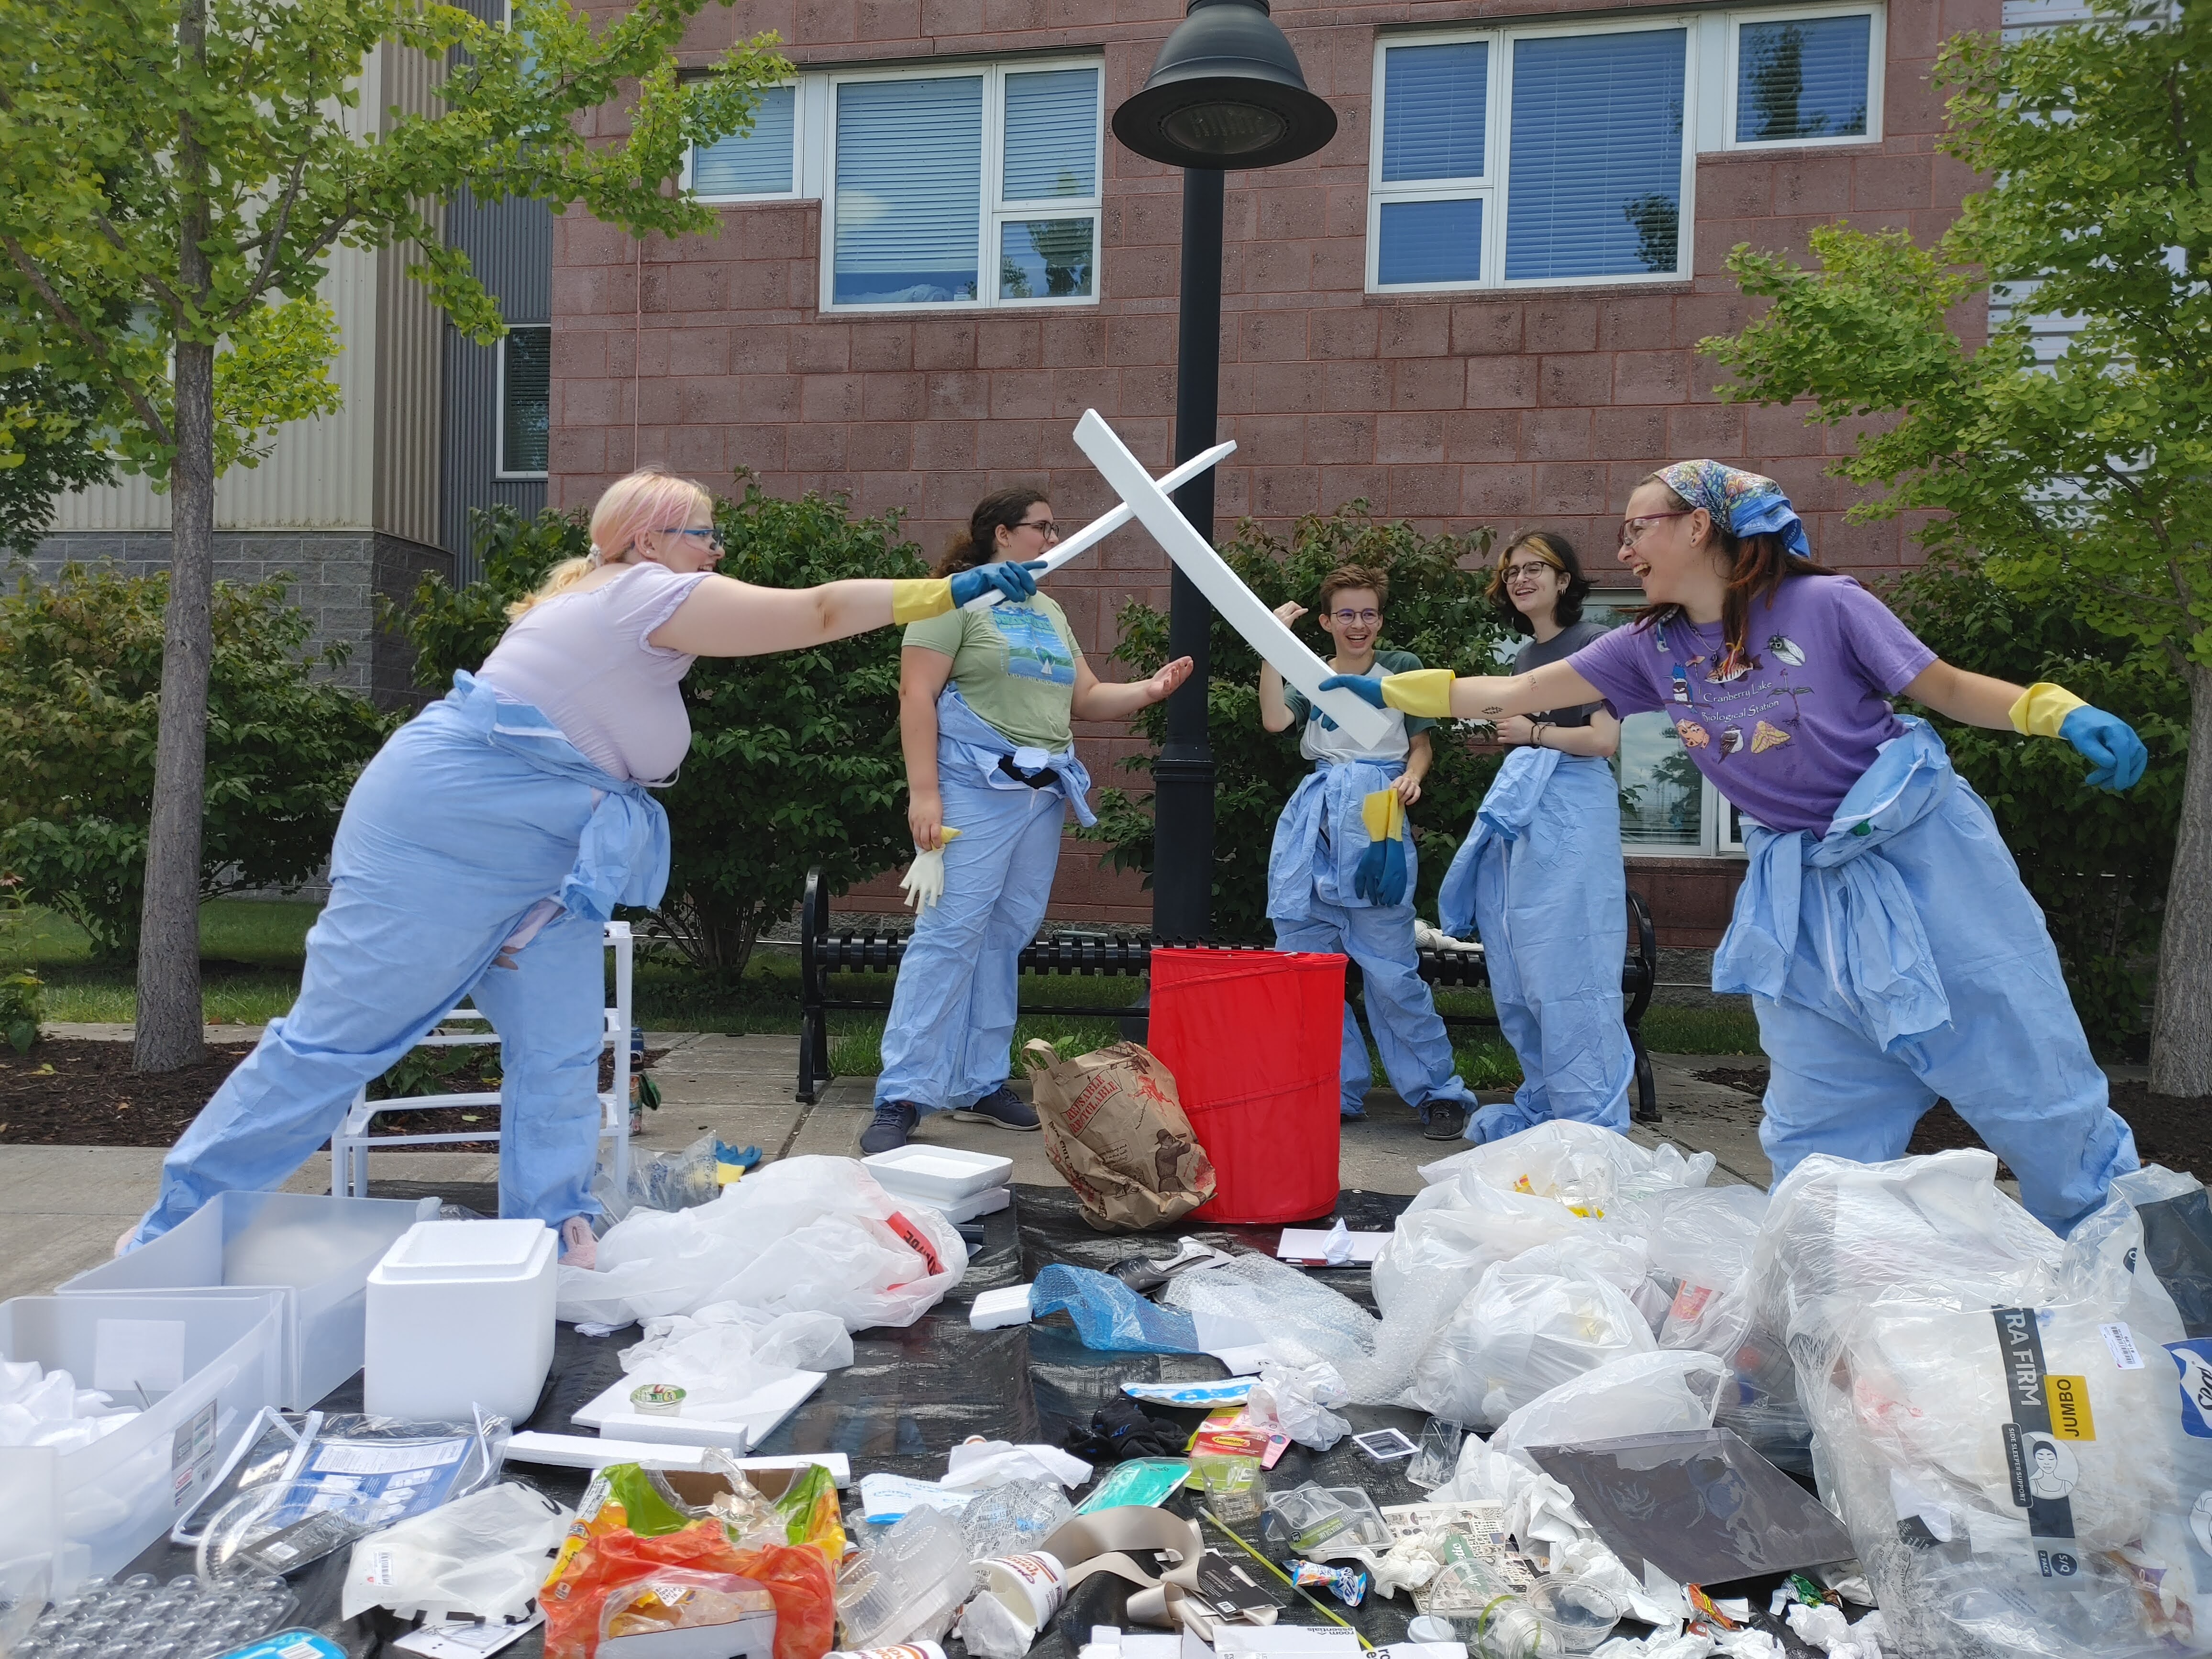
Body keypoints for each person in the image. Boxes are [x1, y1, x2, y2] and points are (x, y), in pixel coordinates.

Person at [126, 468, 1045, 1264]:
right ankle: (173, 1231)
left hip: (550, 859)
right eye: (705, 534)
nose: (717, 551)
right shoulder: (636, 593)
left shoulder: (631, 608)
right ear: (647, 539)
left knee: (563, 1054)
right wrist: (950, 590)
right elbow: (815, 611)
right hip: (450, 835)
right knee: (337, 1044)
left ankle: (552, 1240)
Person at [1323, 460, 2147, 1234]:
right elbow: (1518, 691)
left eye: (1636, 526)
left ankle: (2123, 1262)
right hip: (1800, 892)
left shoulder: (1827, 606)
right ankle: (1826, 1293)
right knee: (1818, 1127)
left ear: (1697, 528)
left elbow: (1945, 688)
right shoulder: (1651, 646)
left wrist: (2056, 710)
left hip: (1921, 859)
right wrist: (1391, 689)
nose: (1621, 548)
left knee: (2020, 1071)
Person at [862, 489, 1193, 1156]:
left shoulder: (1048, 610)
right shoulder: (953, 599)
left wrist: (1150, 691)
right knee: (949, 934)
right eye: (1042, 527)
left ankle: (980, 1082)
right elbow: (915, 694)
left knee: (1004, 935)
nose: (1052, 537)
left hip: (1040, 796)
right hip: (971, 792)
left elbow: (1088, 698)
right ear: (1003, 535)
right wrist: (923, 794)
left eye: (1053, 527)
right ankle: (902, 1091)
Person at [1259, 564, 1480, 1139]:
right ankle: (1333, 1090)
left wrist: (1412, 778)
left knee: (1391, 974)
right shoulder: (1311, 673)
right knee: (1308, 970)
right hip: (1315, 830)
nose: (1358, 625)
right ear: (1327, 621)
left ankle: (1439, 1092)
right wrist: (1271, 646)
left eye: (1368, 614)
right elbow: (1274, 719)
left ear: (1379, 619)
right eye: (1346, 614)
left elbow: (1421, 746)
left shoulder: (1400, 668)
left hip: (1376, 822)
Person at [1435, 533, 1635, 1142]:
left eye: (1535, 569)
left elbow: (1604, 741)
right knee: (1522, 967)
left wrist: (1532, 734)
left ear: (1565, 580)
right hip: (1532, 810)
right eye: (1513, 570)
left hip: (1573, 809)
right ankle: (1549, 1103)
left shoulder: (1592, 646)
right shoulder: (1527, 658)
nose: (1521, 579)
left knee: (1569, 964)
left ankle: (1590, 1122)